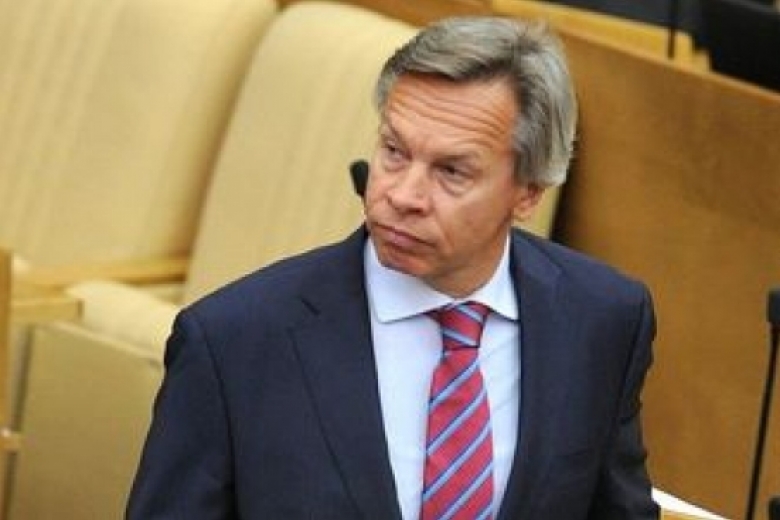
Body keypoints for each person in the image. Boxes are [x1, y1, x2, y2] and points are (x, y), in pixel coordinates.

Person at [126, 15, 660, 520]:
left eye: (451, 172)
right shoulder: (233, 343)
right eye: (394, 152)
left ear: (529, 193)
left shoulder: (601, 320)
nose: (403, 195)